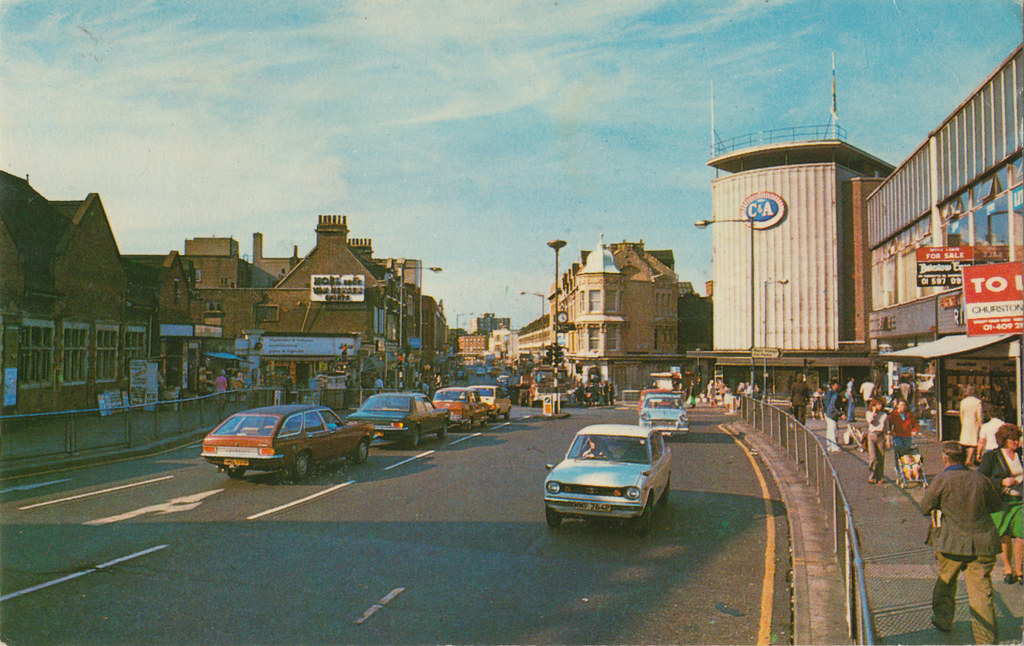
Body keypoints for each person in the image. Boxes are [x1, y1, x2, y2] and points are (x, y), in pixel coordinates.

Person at [921, 441, 1003, 643]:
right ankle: (985, 639)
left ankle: (944, 620)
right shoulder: (980, 479)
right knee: (981, 592)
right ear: (965, 458)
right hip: (982, 543)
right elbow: (995, 505)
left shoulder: (941, 480)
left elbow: (925, 507)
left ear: (945, 458)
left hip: (950, 542)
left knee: (946, 581)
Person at [978, 424, 1023, 585]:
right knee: (1004, 535)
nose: (1016, 442)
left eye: (1017, 439)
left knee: (1021, 534)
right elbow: (981, 478)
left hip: (1019, 500)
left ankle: (1019, 570)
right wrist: (1001, 482)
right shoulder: (992, 456)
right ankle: (1008, 568)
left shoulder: (1021, 454)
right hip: (1001, 500)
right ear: (1004, 440)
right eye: (1012, 440)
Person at [865, 398, 890, 484]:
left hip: (880, 436)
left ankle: (880, 476)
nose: (880, 406)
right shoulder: (868, 413)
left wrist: (888, 439)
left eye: (881, 404)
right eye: (878, 404)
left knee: (881, 457)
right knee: (873, 457)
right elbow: (870, 421)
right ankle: (872, 475)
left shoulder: (884, 415)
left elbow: (887, 428)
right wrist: (874, 412)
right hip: (872, 435)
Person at [887, 398, 919, 463]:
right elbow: (888, 425)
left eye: (904, 405)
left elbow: (915, 424)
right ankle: (898, 466)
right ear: (897, 406)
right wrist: (892, 432)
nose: (903, 407)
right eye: (901, 405)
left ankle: (906, 466)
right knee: (898, 452)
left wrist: (915, 430)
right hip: (898, 436)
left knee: (906, 453)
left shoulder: (910, 414)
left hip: (907, 436)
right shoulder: (894, 414)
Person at [959, 386, 984, 466]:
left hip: (966, 423)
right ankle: (969, 459)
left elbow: (961, 414)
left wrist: (962, 422)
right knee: (973, 442)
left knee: (965, 441)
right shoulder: (978, 402)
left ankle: (965, 458)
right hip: (974, 422)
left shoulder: (963, 401)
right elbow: (979, 415)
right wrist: (981, 425)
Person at [824, 380, 843, 452]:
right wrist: (840, 414)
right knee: (833, 430)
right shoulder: (834, 394)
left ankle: (829, 445)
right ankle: (834, 447)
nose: (837, 386)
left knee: (830, 431)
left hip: (829, 413)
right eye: (836, 384)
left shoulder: (832, 393)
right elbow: (833, 406)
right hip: (831, 414)